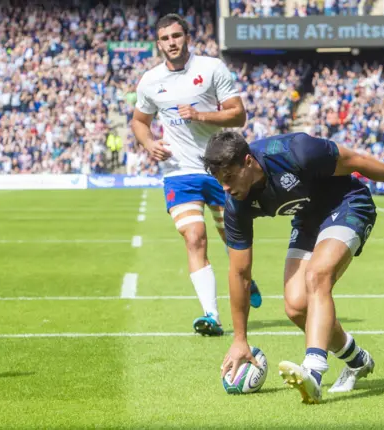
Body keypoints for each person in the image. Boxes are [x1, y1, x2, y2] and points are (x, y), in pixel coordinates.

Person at [206, 131, 384, 404]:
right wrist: (240, 338)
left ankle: (314, 371)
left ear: (249, 162)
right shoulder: (235, 205)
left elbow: (356, 159)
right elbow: (240, 272)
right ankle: (357, 360)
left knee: (317, 276)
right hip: (308, 220)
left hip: (348, 204)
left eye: (229, 178)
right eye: (219, 181)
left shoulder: (296, 151)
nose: (225, 188)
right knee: (296, 306)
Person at [130, 13, 262, 337]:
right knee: (194, 237)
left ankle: (246, 277)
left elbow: (239, 114)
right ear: (158, 43)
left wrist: (200, 114)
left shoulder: (211, 68)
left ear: (187, 37)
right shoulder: (150, 81)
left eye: (176, 36)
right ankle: (211, 316)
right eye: (165, 38)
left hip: (220, 169)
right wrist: (149, 143)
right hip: (178, 172)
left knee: (231, 241)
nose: (172, 43)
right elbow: (138, 120)